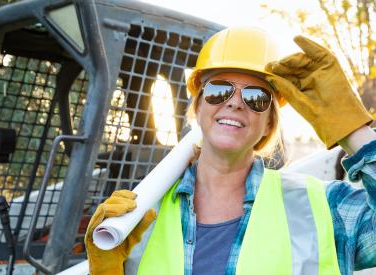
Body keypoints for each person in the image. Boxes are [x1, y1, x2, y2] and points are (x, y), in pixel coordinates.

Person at [84, 26, 376, 275]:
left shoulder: (322, 208)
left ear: (268, 124)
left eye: (255, 97)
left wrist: (353, 130)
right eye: (218, 91)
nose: (235, 103)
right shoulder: (137, 217)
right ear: (198, 108)